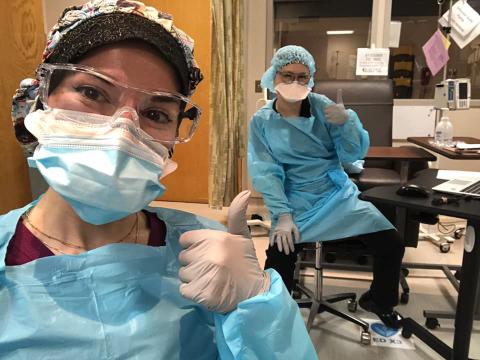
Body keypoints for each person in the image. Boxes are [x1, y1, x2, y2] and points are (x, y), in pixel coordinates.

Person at [1, 3, 318, 359]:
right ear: (39, 98)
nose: (124, 131)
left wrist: (257, 304)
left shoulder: (202, 253)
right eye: (92, 92)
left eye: (155, 113)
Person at [248, 45, 405, 329]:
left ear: (311, 79)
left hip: (336, 194)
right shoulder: (262, 121)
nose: (295, 83)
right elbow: (265, 170)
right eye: (288, 75)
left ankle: (379, 300)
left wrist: (347, 124)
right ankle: (274, 312)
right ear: (274, 76)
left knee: (391, 243)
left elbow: (351, 155)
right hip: (295, 199)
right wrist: (282, 214)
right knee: (279, 255)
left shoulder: (324, 107)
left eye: (302, 77)